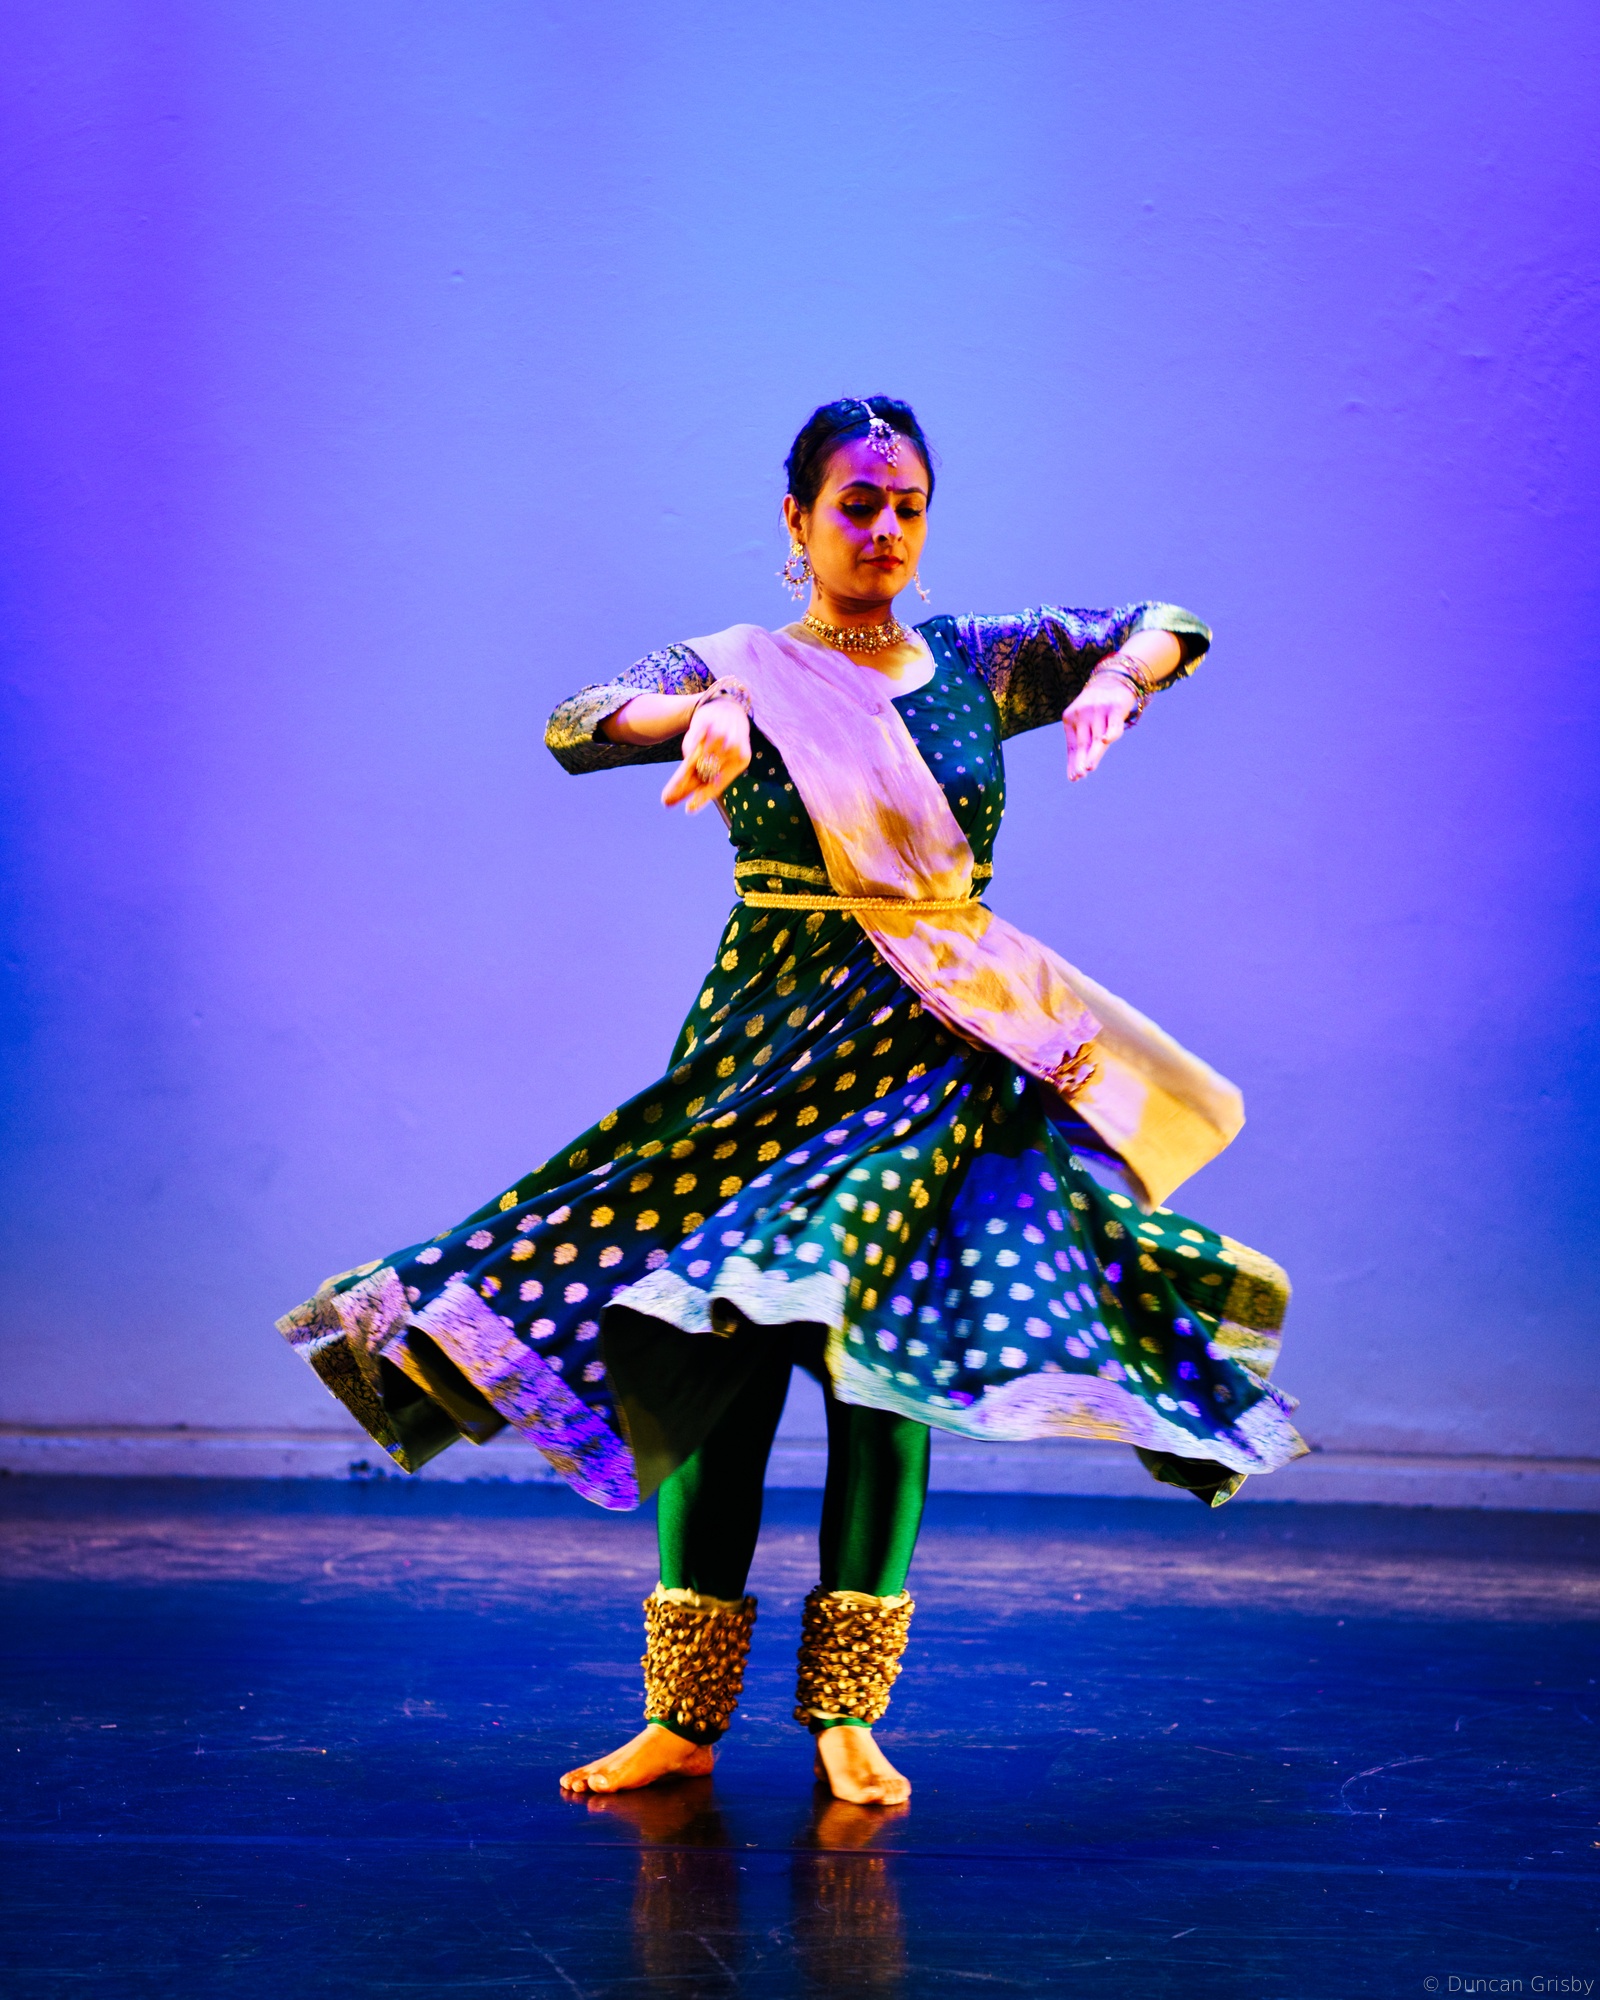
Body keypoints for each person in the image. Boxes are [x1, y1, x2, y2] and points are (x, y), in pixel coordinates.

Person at [278, 397, 1301, 1809]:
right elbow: (577, 721)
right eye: (855, 505)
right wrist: (700, 716)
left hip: (938, 1060)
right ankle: (682, 1720)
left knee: (883, 1368)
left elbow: (1168, 619)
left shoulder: (980, 661)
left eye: (907, 506)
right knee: (713, 1355)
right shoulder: (742, 666)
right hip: (765, 1059)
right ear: (797, 521)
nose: (882, 530)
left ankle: (847, 1718)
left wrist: (1121, 677)